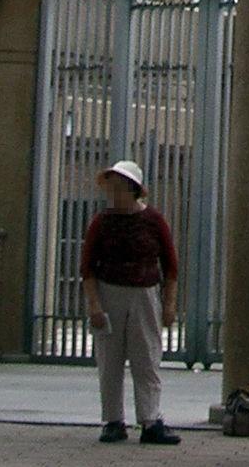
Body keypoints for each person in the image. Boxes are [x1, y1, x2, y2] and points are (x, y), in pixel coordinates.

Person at [80, 160, 182, 446]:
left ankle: (150, 419)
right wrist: (94, 305)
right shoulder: (101, 222)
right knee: (109, 360)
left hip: (145, 293)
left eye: (119, 188)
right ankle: (113, 420)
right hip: (109, 290)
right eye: (110, 188)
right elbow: (87, 267)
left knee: (147, 358)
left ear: (133, 190)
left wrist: (169, 304)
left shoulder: (154, 221)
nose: (113, 194)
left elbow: (170, 266)